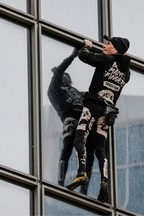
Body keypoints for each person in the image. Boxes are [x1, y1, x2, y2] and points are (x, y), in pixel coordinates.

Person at [66, 35, 131, 202]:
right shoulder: (126, 72)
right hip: (108, 112)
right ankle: (104, 182)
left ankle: (81, 173)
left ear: (115, 49)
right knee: (100, 148)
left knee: (80, 137)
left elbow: (84, 57)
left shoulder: (107, 60)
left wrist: (86, 46)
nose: (104, 45)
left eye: (108, 43)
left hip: (93, 105)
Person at [47, 47, 94, 194]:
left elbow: (93, 97)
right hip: (71, 119)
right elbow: (60, 71)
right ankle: (60, 182)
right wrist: (72, 56)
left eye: (68, 76)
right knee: (67, 147)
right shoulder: (55, 90)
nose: (66, 77)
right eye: (63, 76)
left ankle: (84, 188)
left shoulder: (77, 92)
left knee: (89, 153)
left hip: (84, 121)